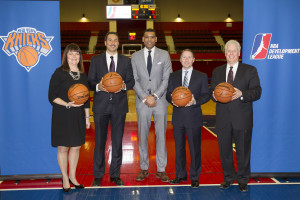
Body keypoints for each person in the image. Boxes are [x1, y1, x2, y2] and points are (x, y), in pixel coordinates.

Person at [210, 40, 262, 192]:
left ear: (239, 53)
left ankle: (243, 179)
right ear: (225, 53)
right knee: (224, 150)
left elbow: (257, 91)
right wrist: (214, 95)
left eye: (234, 51)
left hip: (242, 117)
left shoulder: (250, 70)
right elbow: (213, 93)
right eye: (228, 51)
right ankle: (228, 178)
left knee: (243, 150)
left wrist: (241, 94)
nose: (231, 53)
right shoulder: (217, 71)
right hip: (223, 118)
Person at [88, 32, 135, 186]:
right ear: (105, 42)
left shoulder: (125, 61)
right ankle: (98, 175)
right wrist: (98, 86)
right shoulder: (96, 60)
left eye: (115, 40)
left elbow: (131, 81)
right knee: (100, 142)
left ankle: (115, 174)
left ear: (119, 42)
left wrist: (123, 86)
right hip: (100, 106)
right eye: (110, 40)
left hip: (119, 107)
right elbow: (90, 82)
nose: (113, 42)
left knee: (117, 142)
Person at [131, 28, 172, 182]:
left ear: (156, 39)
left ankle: (161, 169)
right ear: (142, 39)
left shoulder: (164, 55)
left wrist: (154, 96)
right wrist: (144, 97)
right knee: (142, 136)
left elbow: (167, 79)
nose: (149, 39)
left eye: (152, 37)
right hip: (142, 102)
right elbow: (133, 80)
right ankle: (144, 168)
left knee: (161, 135)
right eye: (146, 37)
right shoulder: (134, 56)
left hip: (160, 101)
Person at [48, 43, 90, 193]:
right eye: (71, 54)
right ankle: (64, 177)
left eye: (77, 54)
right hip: (63, 113)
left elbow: (86, 98)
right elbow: (51, 96)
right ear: (66, 56)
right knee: (63, 147)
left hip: (78, 115)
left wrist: (87, 117)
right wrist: (67, 104)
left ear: (80, 57)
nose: (74, 57)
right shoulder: (59, 73)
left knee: (77, 146)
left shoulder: (83, 75)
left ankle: (73, 176)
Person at [166, 49, 209, 188]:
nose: (186, 59)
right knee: (179, 148)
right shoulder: (173, 76)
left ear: (193, 60)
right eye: (184, 57)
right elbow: (168, 94)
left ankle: (195, 176)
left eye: (189, 57)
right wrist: (172, 100)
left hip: (194, 116)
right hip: (178, 117)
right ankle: (181, 175)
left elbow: (206, 95)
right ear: (180, 59)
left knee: (194, 148)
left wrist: (195, 101)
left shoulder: (201, 76)